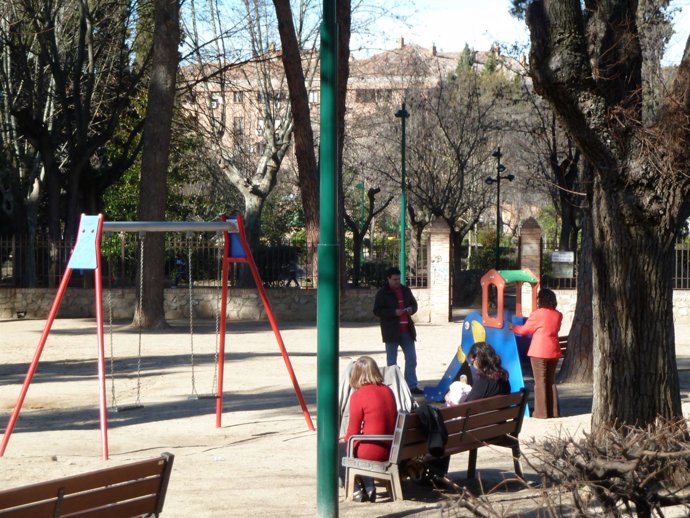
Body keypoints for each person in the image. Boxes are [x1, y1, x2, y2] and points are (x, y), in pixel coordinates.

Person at [342, 356, 398, 503]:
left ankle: (355, 491)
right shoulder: (388, 391)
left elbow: (352, 431)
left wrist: (344, 440)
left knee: (336, 450)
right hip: (392, 447)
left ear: (356, 374)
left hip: (374, 450)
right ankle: (368, 485)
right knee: (353, 445)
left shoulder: (359, 395)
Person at [510, 288, 563, 418]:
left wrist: (513, 327)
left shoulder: (537, 314)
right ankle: (553, 412)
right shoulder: (558, 314)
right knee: (551, 381)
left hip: (539, 351)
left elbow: (524, 331)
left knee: (540, 382)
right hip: (554, 351)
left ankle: (541, 413)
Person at [373, 267, 422, 395]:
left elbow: (414, 305)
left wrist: (411, 309)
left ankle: (411, 386)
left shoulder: (406, 290)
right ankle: (393, 387)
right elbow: (377, 311)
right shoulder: (382, 293)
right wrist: (393, 312)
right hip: (391, 332)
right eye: (394, 279)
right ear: (388, 279)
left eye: (398, 279)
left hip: (407, 331)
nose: (397, 281)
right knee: (392, 362)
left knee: (411, 359)